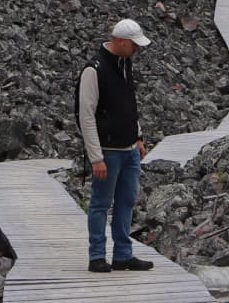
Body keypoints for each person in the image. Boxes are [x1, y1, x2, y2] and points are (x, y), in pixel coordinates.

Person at [78, 18, 155, 272]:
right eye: (134, 45)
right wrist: (95, 157)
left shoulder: (125, 65)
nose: (137, 50)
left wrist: (139, 137)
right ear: (120, 41)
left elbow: (129, 105)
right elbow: (86, 115)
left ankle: (123, 254)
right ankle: (97, 256)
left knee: (127, 201)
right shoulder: (94, 69)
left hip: (129, 148)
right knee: (101, 203)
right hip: (108, 151)